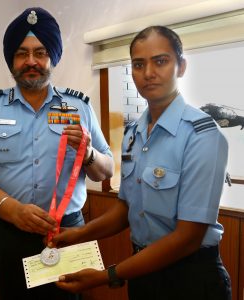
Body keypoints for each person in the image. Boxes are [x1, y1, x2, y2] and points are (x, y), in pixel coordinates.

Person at [52, 26, 232, 300]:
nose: (148, 73)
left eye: (161, 61)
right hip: (142, 272)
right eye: (138, 64)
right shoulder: (132, 135)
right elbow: (126, 207)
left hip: (191, 278)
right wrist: (77, 234)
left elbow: (188, 237)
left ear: (181, 66)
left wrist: (107, 276)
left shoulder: (202, 135)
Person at [0, 7, 114, 300]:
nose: (31, 61)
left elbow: (106, 169)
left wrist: (88, 153)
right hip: (8, 231)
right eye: (21, 53)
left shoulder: (79, 107)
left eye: (40, 53)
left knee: (68, 297)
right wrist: (11, 209)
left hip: (67, 230)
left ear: (52, 58)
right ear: (12, 60)